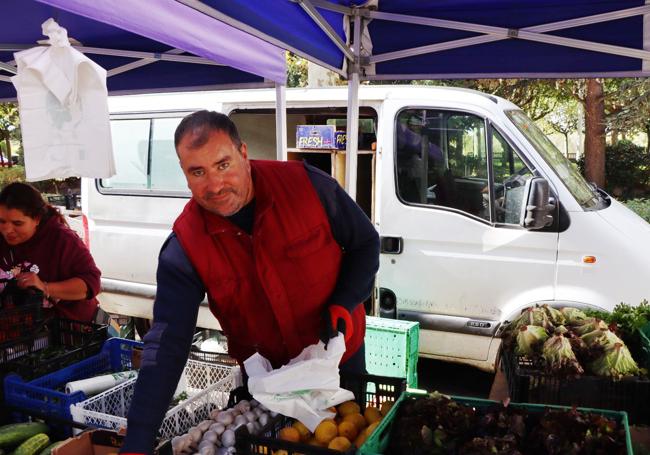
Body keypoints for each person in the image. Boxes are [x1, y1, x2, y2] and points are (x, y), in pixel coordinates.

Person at [120, 111, 379, 454]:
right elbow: (167, 342)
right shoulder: (186, 244)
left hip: (338, 363)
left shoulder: (309, 187)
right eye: (198, 172)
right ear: (185, 174)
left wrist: (345, 300)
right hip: (269, 381)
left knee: (347, 444)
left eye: (223, 164)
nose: (214, 185)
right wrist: (139, 436)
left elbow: (365, 243)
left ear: (243, 153)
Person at [0, 182, 101, 322]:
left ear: (36, 219)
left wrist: (45, 287)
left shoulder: (62, 239)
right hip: (21, 330)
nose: (7, 230)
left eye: (17, 223)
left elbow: (91, 283)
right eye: (2, 221)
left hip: (69, 329)